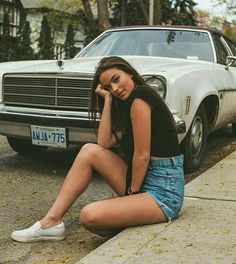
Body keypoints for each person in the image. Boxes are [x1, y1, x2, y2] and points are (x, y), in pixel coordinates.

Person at [11, 56, 185, 242]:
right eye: (108, 87)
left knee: (89, 216)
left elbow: (142, 156)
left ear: (130, 74)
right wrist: (108, 100)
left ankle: (130, 213)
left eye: (116, 79)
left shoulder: (140, 98)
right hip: (144, 180)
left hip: (163, 192)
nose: (115, 89)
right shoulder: (125, 103)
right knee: (89, 150)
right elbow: (104, 143)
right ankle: (50, 222)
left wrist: (131, 195)